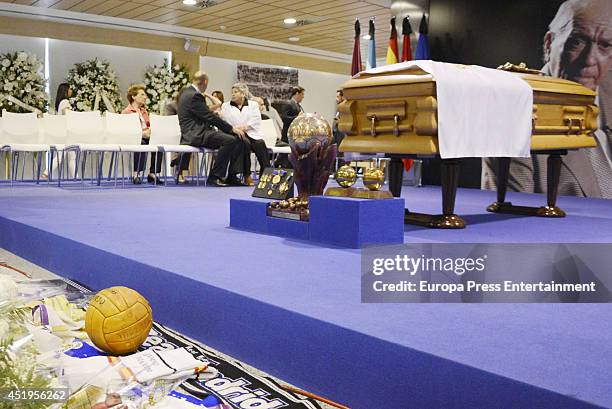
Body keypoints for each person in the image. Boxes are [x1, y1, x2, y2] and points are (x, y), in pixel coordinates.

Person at [482, 0, 612, 198]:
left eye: (605, 45)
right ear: (549, 44)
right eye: (577, 42)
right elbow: (512, 214)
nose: (590, 60)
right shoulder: (513, 111)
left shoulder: (607, 91)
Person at [177, 71, 246, 187]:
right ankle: (215, 176)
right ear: (205, 82)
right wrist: (231, 128)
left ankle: (232, 176)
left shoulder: (185, 93)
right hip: (196, 134)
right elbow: (209, 116)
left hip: (193, 133)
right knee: (230, 140)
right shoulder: (195, 95)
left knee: (238, 138)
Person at [219, 83, 271, 184]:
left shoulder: (253, 105)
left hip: (251, 132)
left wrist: (244, 127)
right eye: (232, 92)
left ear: (243, 94)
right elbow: (225, 120)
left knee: (260, 144)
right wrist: (235, 128)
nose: (233, 94)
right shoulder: (226, 106)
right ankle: (247, 175)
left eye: (236, 92)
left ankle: (266, 175)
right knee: (245, 143)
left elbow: (256, 119)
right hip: (235, 134)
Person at [122, 84, 162, 185]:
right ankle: (136, 174)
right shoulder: (126, 112)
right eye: (142, 94)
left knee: (159, 144)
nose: (145, 97)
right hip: (134, 137)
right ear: (133, 97)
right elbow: (127, 130)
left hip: (147, 136)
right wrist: (141, 133)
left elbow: (149, 125)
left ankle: (153, 173)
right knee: (142, 143)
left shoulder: (144, 111)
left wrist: (150, 131)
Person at [43, 83, 76, 180]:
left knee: (69, 155)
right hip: (66, 133)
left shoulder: (60, 102)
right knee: (64, 156)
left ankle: (75, 177)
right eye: (70, 89)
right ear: (65, 91)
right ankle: (46, 172)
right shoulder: (65, 102)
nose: (71, 91)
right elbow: (68, 115)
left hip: (63, 132)